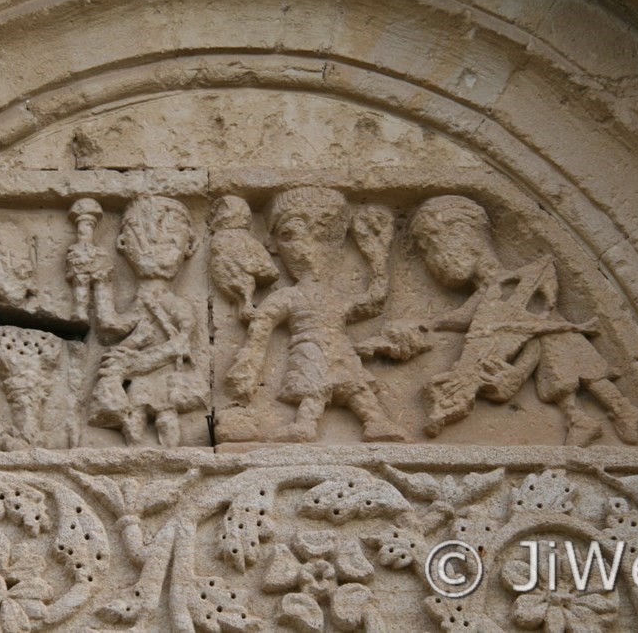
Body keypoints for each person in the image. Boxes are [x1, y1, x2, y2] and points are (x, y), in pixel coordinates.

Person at [360, 195, 638, 446]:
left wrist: (518, 368)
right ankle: (583, 415)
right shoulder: (490, 292)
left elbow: (522, 323)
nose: (432, 262)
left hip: (536, 330)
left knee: (562, 347)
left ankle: (616, 408)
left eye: (433, 247)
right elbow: (467, 316)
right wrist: (430, 322)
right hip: (523, 338)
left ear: (464, 238)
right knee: (557, 350)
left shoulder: (516, 284)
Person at [223, 186, 405, 443]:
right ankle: (306, 426)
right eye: (292, 235)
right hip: (310, 348)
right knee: (316, 387)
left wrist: (377, 260)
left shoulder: (335, 297)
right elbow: (261, 326)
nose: (309, 249)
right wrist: (248, 363)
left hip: (340, 349)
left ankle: (375, 422)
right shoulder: (287, 297)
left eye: (326, 236)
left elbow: (373, 302)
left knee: (354, 386)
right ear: (272, 245)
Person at [67, 196, 206, 447]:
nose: (153, 240)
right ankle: (135, 456)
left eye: (170, 233)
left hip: (164, 375)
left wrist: (135, 362)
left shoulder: (179, 306)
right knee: (134, 415)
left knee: (165, 414)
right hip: (139, 378)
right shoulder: (140, 302)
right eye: (138, 232)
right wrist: (101, 280)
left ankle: (172, 456)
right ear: (121, 243)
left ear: (190, 246)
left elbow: (181, 344)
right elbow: (110, 327)